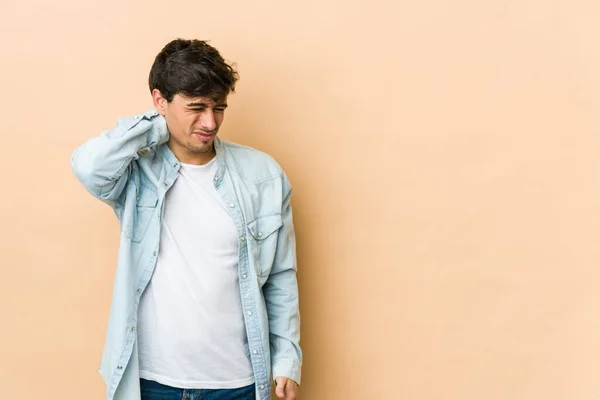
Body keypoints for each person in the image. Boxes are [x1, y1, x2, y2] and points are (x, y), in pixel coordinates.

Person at [71, 38, 302, 400]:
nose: (210, 122)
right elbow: (89, 166)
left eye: (219, 107)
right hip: (151, 381)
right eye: (196, 107)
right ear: (160, 100)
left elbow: (280, 277)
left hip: (237, 383)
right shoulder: (137, 173)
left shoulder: (263, 176)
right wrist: (158, 127)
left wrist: (286, 358)